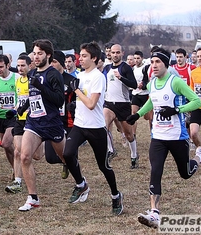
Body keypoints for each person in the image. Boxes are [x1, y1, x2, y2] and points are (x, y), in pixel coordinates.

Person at [125, 48, 201, 229]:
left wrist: (176, 110)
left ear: (166, 64)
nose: (154, 65)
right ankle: (154, 213)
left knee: (185, 173)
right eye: (152, 62)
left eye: (158, 62)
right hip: (158, 137)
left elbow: (197, 101)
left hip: (177, 136)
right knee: (155, 170)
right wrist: (138, 114)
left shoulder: (176, 82)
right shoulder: (151, 84)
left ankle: (199, 156)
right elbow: (152, 101)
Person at [63, 41, 124, 215]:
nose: (80, 59)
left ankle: (115, 195)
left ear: (94, 58)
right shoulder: (80, 75)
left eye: (84, 56)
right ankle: (81, 185)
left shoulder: (98, 76)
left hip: (96, 128)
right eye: (80, 56)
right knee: (67, 154)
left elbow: (91, 104)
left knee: (103, 166)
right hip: (80, 125)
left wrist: (77, 93)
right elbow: (81, 100)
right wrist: (74, 104)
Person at [18, 39, 65, 211]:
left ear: (48, 55)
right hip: (34, 122)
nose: (36, 57)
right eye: (35, 53)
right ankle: (33, 198)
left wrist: (41, 86)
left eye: (40, 53)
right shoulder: (31, 74)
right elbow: (34, 96)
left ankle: (81, 183)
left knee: (66, 157)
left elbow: (59, 101)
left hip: (52, 123)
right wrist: (21, 109)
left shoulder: (54, 75)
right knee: (25, 157)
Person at [5, 54, 45, 193]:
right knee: (17, 152)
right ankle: (17, 181)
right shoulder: (17, 81)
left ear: (30, 66)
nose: (20, 68)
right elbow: (19, 99)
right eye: (19, 65)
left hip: (33, 120)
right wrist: (14, 110)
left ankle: (44, 143)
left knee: (37, 156)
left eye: (23, 65)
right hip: (20, 119)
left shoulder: (34, 81)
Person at [103, 44, 138, 169]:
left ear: (122, 53)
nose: (115, 55)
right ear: (110, 54)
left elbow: (134, 85)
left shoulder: (126, 68)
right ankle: (111, 150)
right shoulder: (106, 68)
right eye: (113, 52)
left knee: (128, 134)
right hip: (108, 103)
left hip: (123, 103)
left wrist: (121, 78)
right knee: (103, 126)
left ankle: (134, 155)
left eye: (118, 52)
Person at [45, 50, 76, 179]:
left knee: (70, 153)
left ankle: (78, 180)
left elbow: (79, 98)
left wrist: (74, 104)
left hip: (68, 121)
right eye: (50, 62)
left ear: (62, 63)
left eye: (54, 62)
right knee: (50, 158)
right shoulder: (46, 79)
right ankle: (66, 162)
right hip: (51, 120)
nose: (51, 64)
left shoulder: (71, 80)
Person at [131, 51, 152, 134]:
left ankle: (152, 133)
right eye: (135, 58)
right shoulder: (133, 69)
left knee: (148, 117)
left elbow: (148, 80)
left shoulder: (146, 68)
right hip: (135, 94)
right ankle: (133, 134)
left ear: (142, 58)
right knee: (133, 114)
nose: (136, 60)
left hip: (145, 94)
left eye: (138, 58)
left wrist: (143, 85)